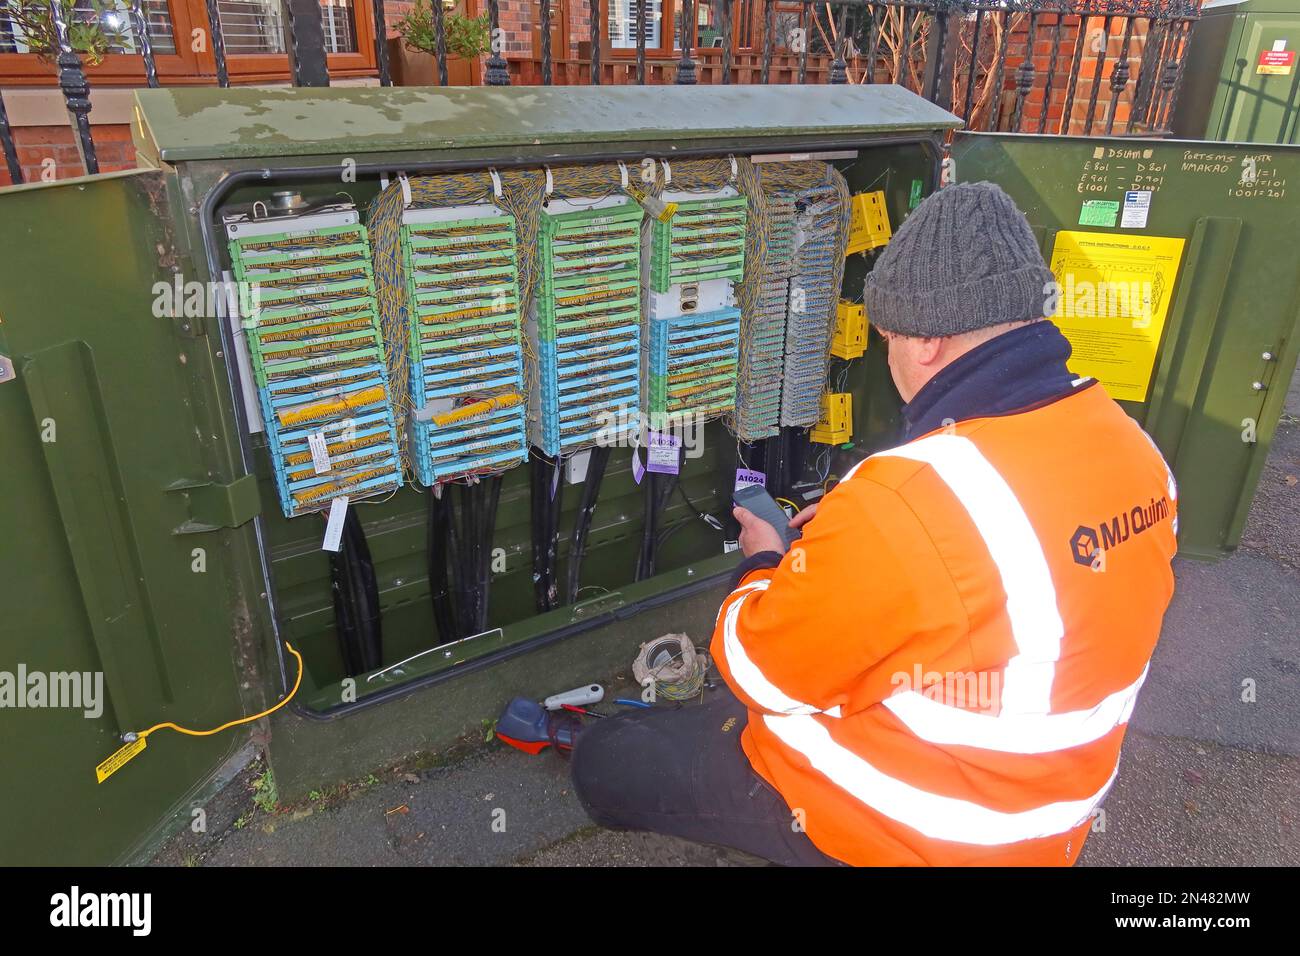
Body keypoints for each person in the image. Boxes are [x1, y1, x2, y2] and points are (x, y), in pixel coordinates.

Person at [570, 181, 1178, 865]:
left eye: (887, 340)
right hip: (1049, 821)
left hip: (910, 827)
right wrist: (865, 544)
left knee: (611, 759)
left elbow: (757, 670)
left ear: (923, 342)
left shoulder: (906, 501)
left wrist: (765, 561)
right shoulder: (1132, 447)